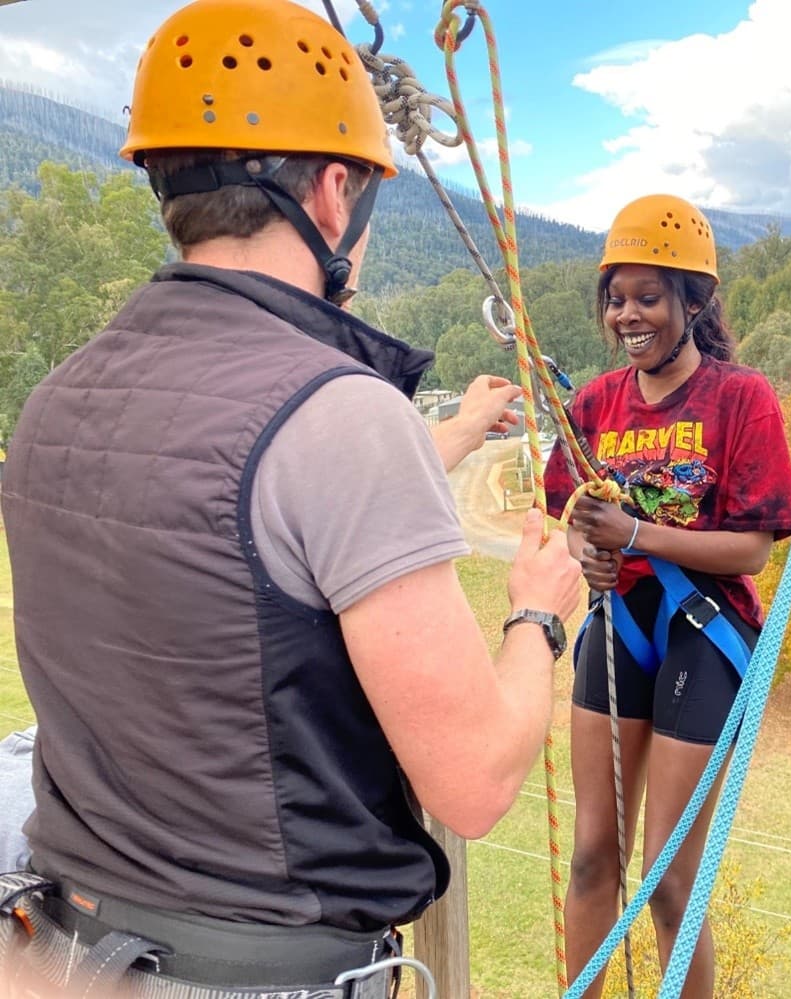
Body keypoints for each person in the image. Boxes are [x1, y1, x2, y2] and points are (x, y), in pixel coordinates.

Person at [0, 1, 581, 996]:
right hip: (256, 970)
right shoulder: (341, 415)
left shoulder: (62, 397)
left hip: (64, 952)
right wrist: (539, 614)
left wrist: (439, 439)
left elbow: (247, 522)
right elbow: (474, 781)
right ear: (331, 191)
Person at [544, 194, 791, 997]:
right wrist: (587, 550)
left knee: (666, 879)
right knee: (591, 855)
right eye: (616, 298)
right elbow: (574, 517)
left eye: (648, 297)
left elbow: (753, 548)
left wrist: (634, 536)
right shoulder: (592, 405)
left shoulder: (739, 398)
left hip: (705, 629)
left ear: (692, 302)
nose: (628, 314)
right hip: (618, 621)